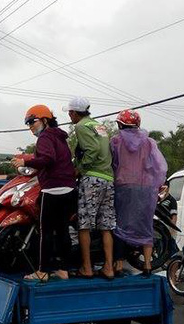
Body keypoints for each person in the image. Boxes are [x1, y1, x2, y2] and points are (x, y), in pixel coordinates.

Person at [11, 104, 76, 282]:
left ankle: (43, 271)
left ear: (45, 120)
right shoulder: (59, 136)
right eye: (28, 123)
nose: (30, 126)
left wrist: (25, 164)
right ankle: (64, 269)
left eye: (32, 121)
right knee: (62, 230)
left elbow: (47, 159)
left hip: (53, 189)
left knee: (45, 232)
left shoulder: (46, 137)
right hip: (68, 188)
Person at [110, 110, 167, 277]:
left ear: (120, 124)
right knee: (146, 223)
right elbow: (159, 166)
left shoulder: (115, 141)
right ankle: (148, 265)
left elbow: (112, 164)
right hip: (146, 188)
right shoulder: (149, 143)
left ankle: (119, 265)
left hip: (124, 186)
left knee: (120, 224)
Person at [65, 96, 115, 280]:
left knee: (84, 225)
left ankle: (87, 268)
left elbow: (92, 149)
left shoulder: (81, 126)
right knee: (106, 225)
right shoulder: (98, 125)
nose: (70, 116)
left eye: (70, 112)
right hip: (108, 178)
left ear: (74, 112)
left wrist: (80, 168)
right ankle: (108, 267)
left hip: (92, 178)